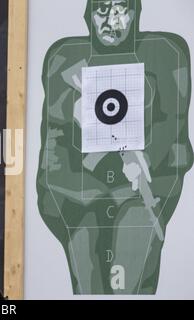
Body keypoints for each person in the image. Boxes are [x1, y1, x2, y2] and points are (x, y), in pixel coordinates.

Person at [37, 0, 192, 294]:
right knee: (89, 286)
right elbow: (53, 140)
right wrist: (56, 195)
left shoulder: (166, 50)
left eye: (121, 9)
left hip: (141, 191)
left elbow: (174, 123)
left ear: (135, 12)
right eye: (102, 10)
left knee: (129, 286)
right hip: (78, 193)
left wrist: (148, 159)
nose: (112, 20)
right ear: (89, 14)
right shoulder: (64, 56)